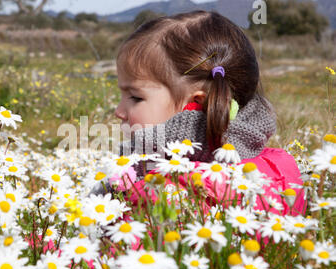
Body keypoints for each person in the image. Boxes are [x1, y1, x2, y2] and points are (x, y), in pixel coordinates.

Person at [105, 10, 305, 216]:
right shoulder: (280, 169)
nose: (118, 111)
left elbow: (124, 247)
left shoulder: (166, 193)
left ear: (195, 104)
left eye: (136, 97)